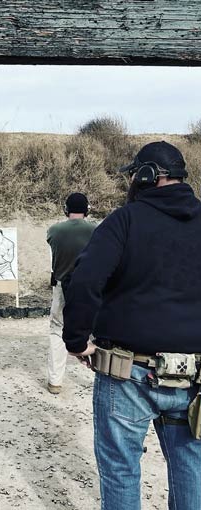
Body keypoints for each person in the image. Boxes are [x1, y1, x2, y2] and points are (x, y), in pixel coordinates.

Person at [63, 141, 201, 510]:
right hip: (195, 378)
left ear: (146, 176)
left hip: (127, 373)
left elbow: (83, 281)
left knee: (122, 471)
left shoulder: (124, 221)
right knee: (191, 467)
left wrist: (76, 341)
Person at [46, 193, 96, 394]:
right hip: (89, 288)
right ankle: (98, 373)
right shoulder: (97, 230)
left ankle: (55, 381)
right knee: (95, 331)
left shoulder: (54, 230)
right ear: (87, 209)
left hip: (61, 286)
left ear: (66, 209)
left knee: (57, 330)